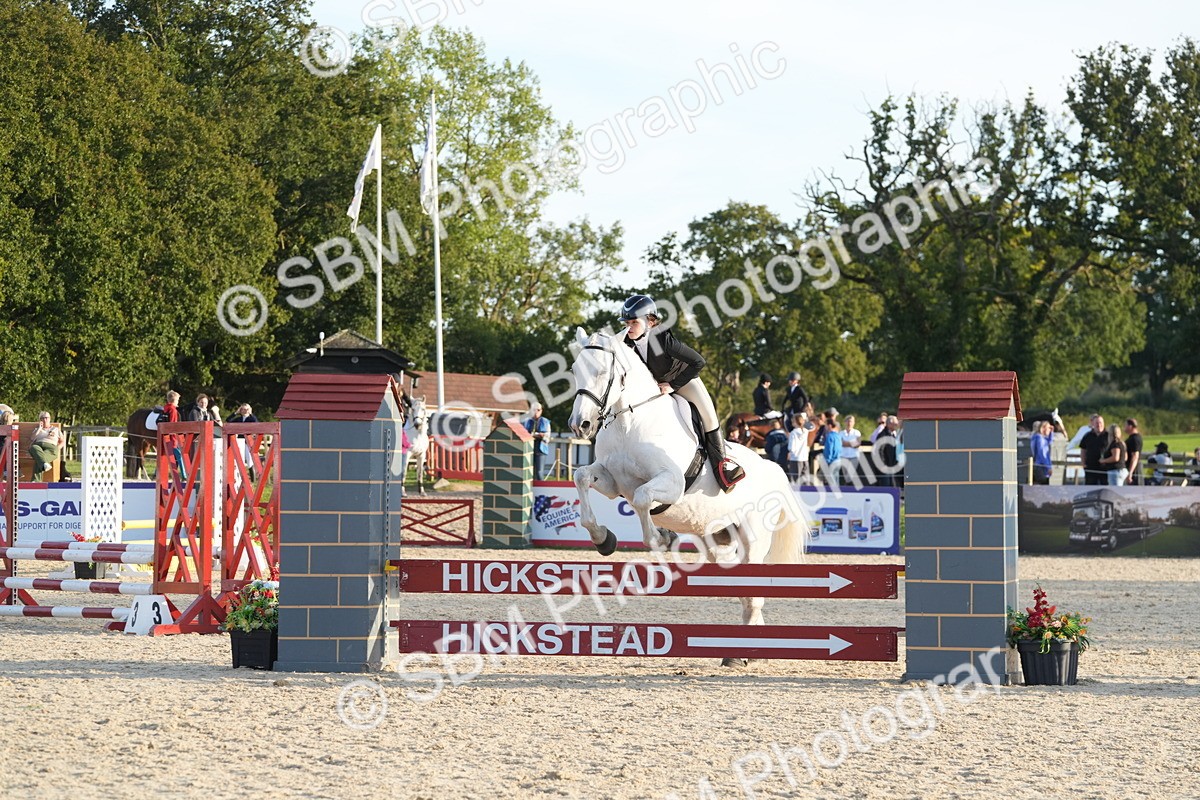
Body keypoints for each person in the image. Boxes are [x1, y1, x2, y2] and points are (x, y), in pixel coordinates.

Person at [619, 294, 745, 492]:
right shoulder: (625, 342)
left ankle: (723, 467)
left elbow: (698, 362)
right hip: (654, 386)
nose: (629, 327)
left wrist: (673, 385)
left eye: (634, 322)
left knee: (709, 416)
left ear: (650, 321)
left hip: (683, 380)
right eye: (626, 322)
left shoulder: (662, 338)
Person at [1078, 414, 1111, 486]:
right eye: (1097, 423)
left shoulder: (1109, 436)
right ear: (1093, 424)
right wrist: (1083, 464)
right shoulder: (1087, 436)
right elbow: (1083, 450)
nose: (1099, 425)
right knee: (1090, 488)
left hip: (1105, 468)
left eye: (1100, 423)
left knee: (1104, 488)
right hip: (1090, 467)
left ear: (1103, 423)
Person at [523, 402, 552, 481]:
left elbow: (548, 436)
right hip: (529, 449)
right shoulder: (527, 421)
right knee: (529, 471)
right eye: (534, 410)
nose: (536, 412)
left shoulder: (545, 421)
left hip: (541, 449)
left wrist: (542, 436)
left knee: (539, 471)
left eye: (538, 410)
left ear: (541, 410)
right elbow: (524, 434)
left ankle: (541, 490)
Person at [786, 412, 811, 484]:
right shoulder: (806, 431)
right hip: (804, 457)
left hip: (795, 458)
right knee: (805, 479)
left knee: (795, 480)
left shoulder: (793, 433)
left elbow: (792, 446)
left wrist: (790, 452)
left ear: (795, 422)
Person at [1030, 420, 1053, 485]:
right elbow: (1042, 454)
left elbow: (1049, 441)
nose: (1049, 429)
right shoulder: (1040, 439)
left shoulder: (1039, 438)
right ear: (1043, 428)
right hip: (1042, 466)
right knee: (1043, 487)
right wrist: (1048, 467)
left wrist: (1051, 433)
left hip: (1041, 466)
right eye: (1048, 428)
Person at [821, 419, 843, 485]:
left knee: (831, 483)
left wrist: (827, 462)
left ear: (830, 426)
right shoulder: (838, 435)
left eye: (826, 425)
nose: (825, 427)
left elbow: (829, 450)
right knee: (836, 481)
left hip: (832, 462)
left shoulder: (830, 436)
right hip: (838, 460)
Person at [841, 414, 862, 479]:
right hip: (844, 456)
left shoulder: (857, 432)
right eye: (848, 421)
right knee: (845, 476)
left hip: (854, 457)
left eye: (851, 421)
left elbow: (857, 444)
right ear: (845, 422)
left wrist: (846, 443)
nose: (849, 423)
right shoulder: (841, 433)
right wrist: (852, 443)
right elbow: (841, 443)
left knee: (850, 475)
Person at [1124, 418, 1143, 485]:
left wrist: (1130, 472)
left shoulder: (1135, 439)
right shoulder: (1132, 438)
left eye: (1125, 425)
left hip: (1134, 470)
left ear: (1130, 426)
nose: (1124, 427)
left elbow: (1135, 456)